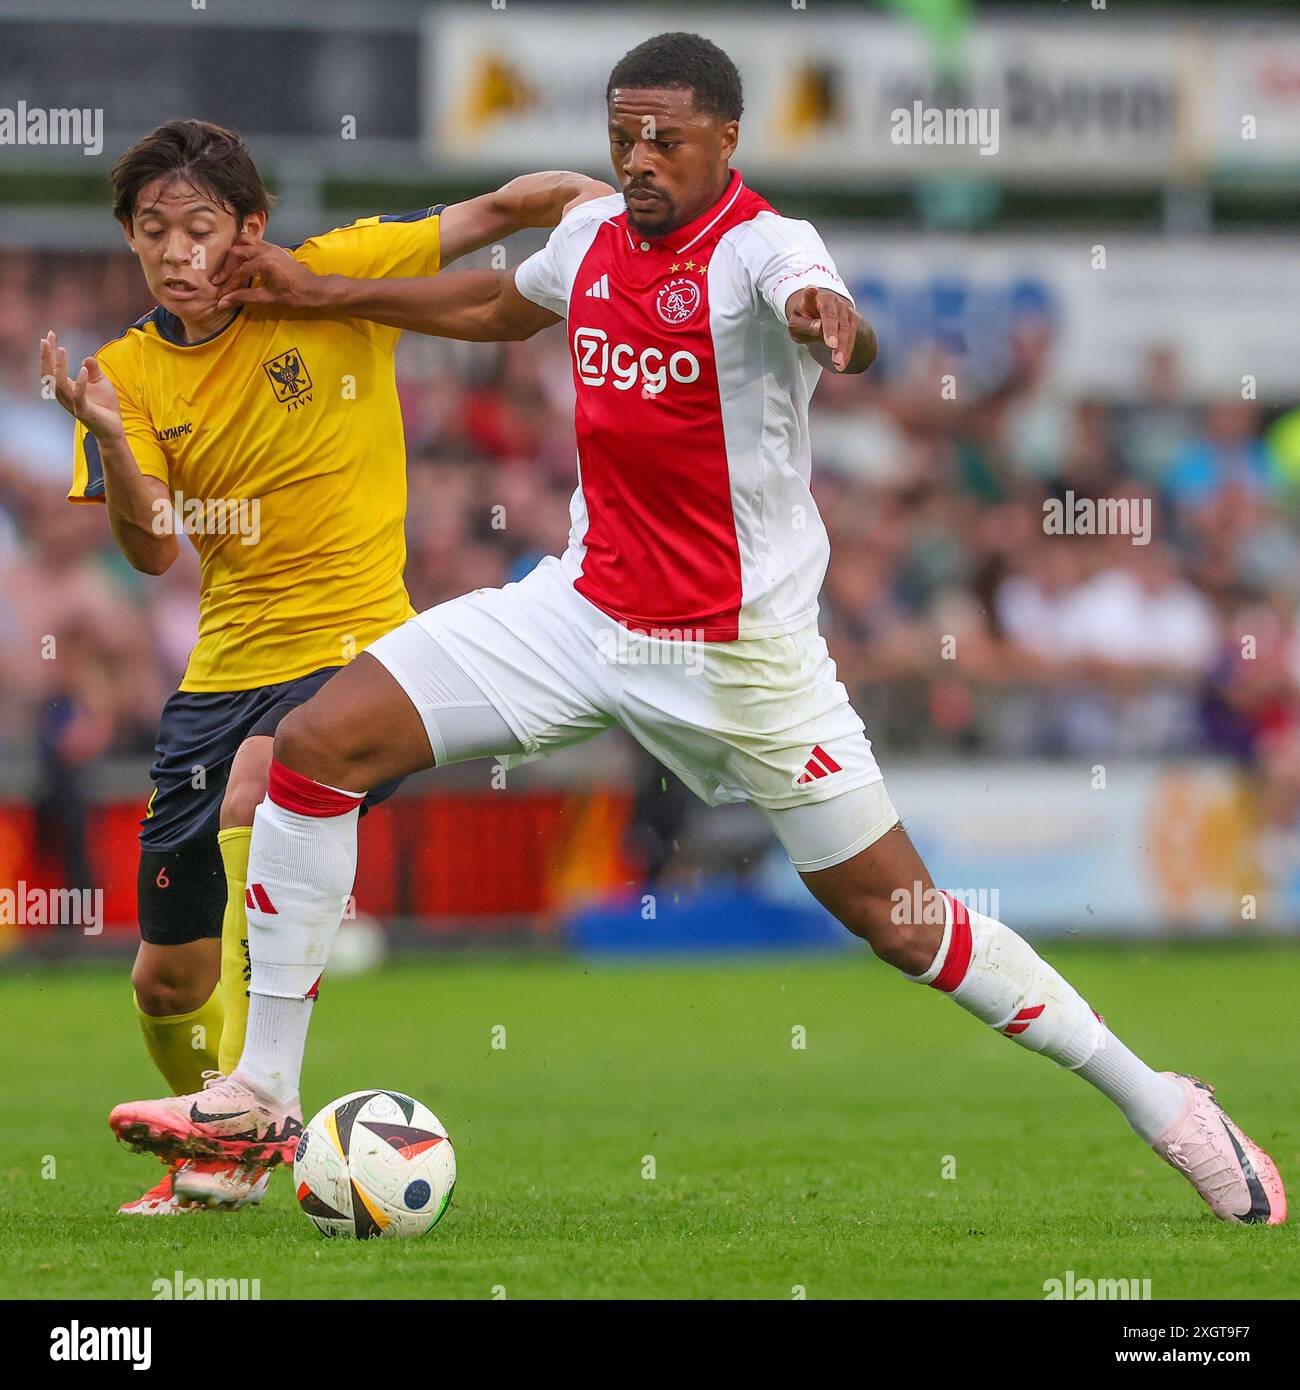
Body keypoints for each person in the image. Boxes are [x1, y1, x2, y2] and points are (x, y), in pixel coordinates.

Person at [109, 37, 1283, 1227]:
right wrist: (329, 293)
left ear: (725, 139)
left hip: (741, 658)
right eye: (622, 135)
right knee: (316, 746)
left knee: (903, 921)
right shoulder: (589, 241)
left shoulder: (766, 251)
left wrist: (835, 321)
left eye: (665, 137)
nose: (638, 158)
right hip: (578, 609)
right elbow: (492, 303)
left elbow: (835, 317)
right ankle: (262, 1087)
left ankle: (1160, 1101)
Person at [45, 117, 607, 1213]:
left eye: (198, 227)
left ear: (250, 228)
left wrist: (613, 211)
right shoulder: (124, 377)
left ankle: (262, 1101)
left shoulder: (338, 270)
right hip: (218, 676)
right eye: (151, 231)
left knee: (268, 776)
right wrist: (111, 438)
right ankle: (220, 1146)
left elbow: (502, 208)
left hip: (358, 658)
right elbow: (153, 548)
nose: (173, 251)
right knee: (166, 980)